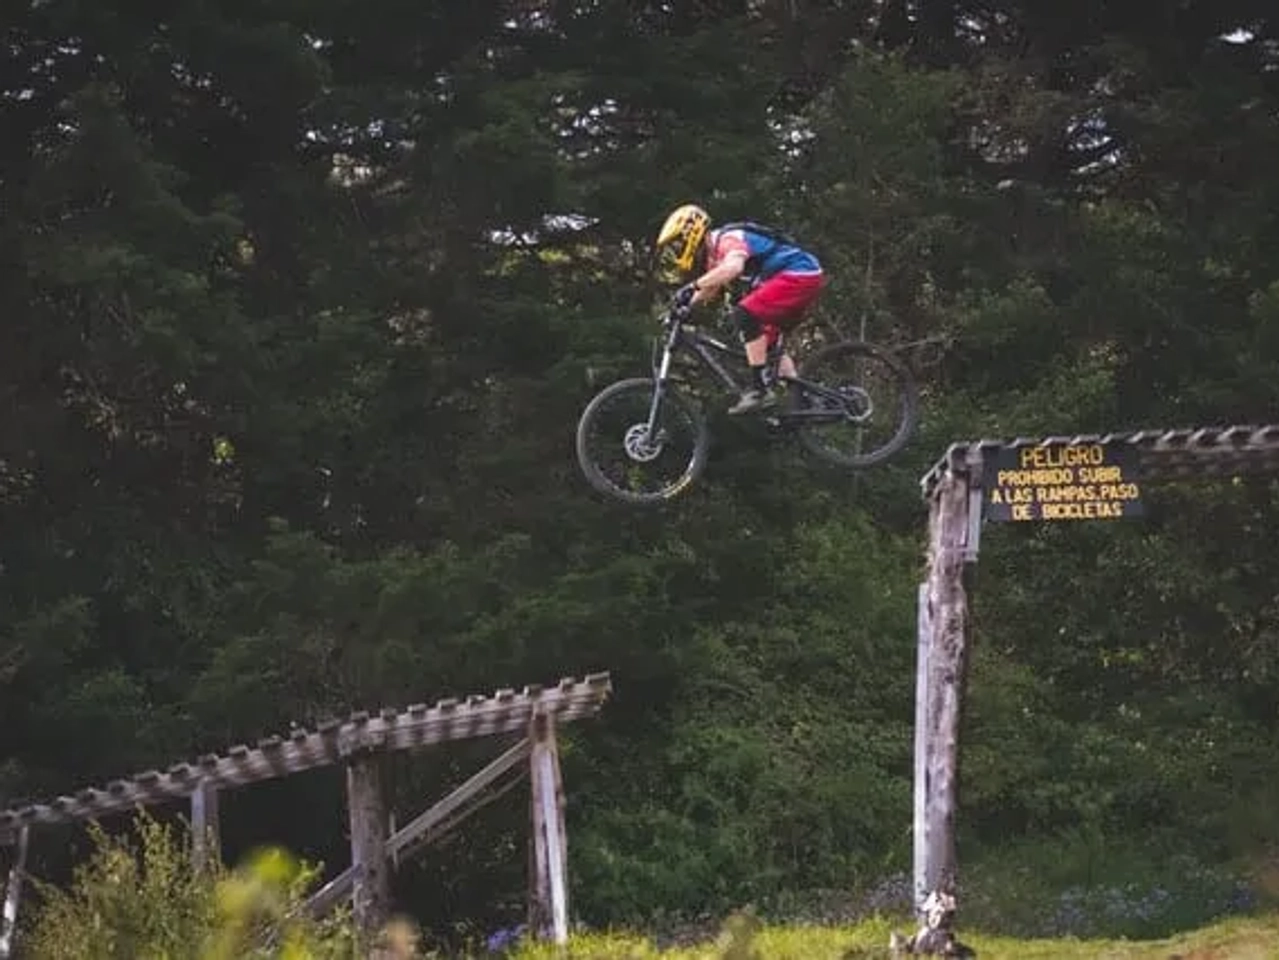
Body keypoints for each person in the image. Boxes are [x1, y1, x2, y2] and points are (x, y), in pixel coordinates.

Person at [654, 203, 826, 414]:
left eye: (679, 243)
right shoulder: (714, 254)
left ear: (691, 233)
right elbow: (711, 287)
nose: (678, 250)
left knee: (744, 314)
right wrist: (683, 307)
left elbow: (734, 268)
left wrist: (692, 286)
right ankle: (803, 402)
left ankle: (759, 391)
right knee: (767, 346)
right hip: (797, 277)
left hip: (799, 273)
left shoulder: (727, 240)